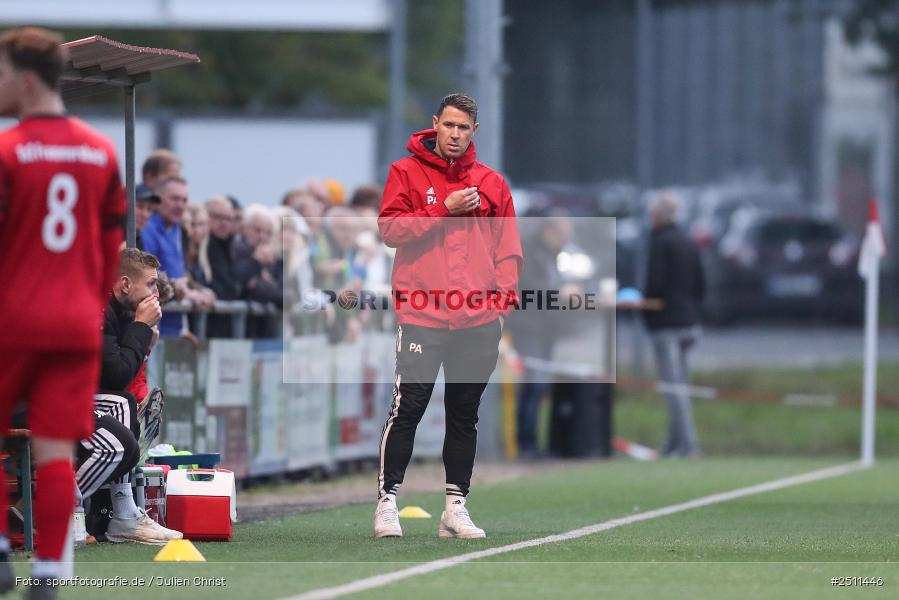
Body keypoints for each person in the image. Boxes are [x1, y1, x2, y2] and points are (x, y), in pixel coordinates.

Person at [0, 27, 125, 597]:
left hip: (16, 316)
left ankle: (3, 551)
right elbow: (109, 249)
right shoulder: (100, 152)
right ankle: (49, 576)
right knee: (53, 451)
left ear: (25, 79)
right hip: (76, 321)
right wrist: (87, 306)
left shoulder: (8, 150)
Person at [374, 93, 521, 539]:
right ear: (436, 124)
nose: (455, 134)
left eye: (464, 128)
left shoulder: (493, 183)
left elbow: (508, 249)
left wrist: (500, 308)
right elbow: (390, 231)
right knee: (410, 406)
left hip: (477, 319)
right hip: (422, 312)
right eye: (449, 125)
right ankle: (387, 502)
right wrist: (444, 209)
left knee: (464, 414)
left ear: (475, 131)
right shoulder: (405, 172)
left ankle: (455, 507)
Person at [76, 248, 182, 544]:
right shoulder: (99, 307)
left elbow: (117, 381)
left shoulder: (116, 310)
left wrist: (140, 335)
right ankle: (56, 511)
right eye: (150, 284)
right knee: (119, 445)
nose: (156, 294)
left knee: (124, 404)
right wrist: (140, 328)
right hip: (41, 400)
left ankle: (124, 516)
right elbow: (116, 373)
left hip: (76, 396)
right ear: (125, 284)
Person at [644, 190, 705, 458]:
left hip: (667, 324)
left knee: (674, 390)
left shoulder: (660, 242)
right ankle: (674, 443)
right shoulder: (689, 242)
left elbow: (655, 283)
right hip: (690, 323)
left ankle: (689, 445)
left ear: (659, 215)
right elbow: (701, 285)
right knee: (680, 387)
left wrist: (646, 305)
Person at [141, 175, 214, 336]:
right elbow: (145, 276)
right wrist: (184, 291)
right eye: (174, 199)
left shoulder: (177, 230)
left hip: (172, 328)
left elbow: (180, 276)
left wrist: (199, 290)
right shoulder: (147, 228)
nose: (180, 205)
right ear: (158, 199)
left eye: (184, 200)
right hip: (150, 331)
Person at [133, 183, 159, 250]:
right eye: (140, 206)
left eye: (149, 209)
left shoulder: (139, 239)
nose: (145, 215)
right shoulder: (115, 236)